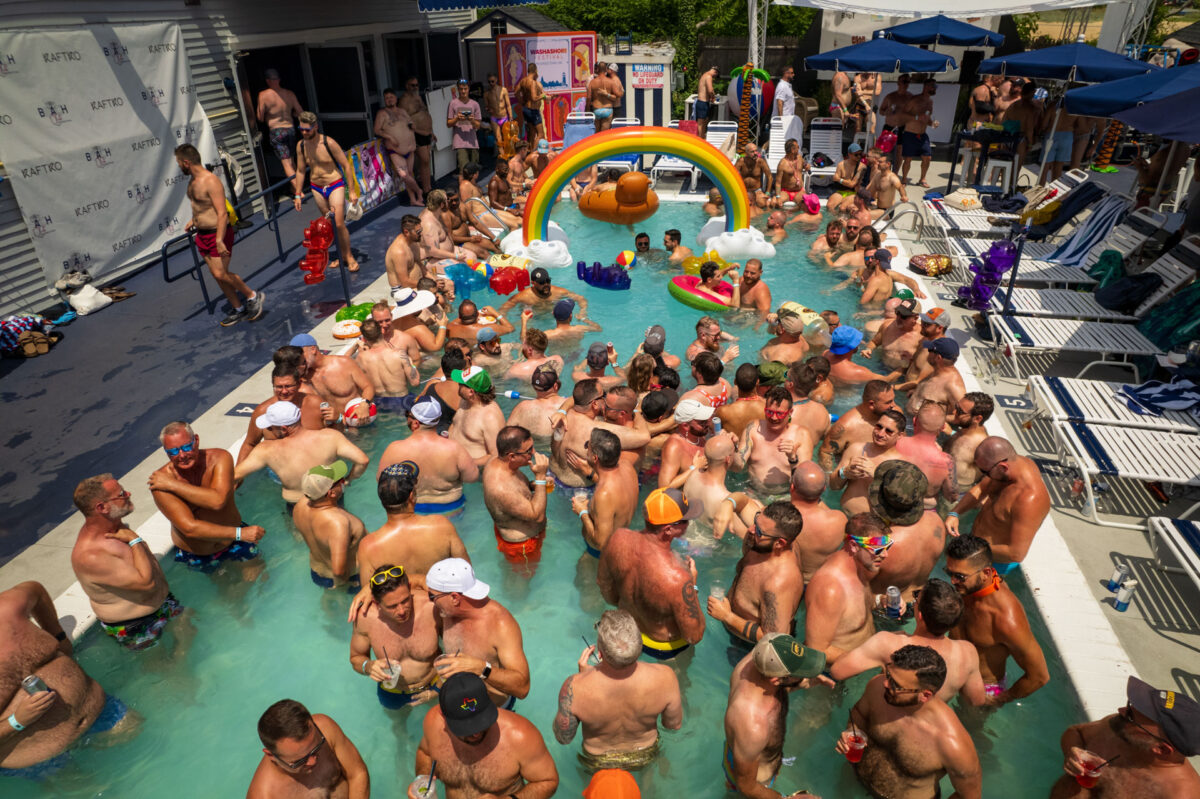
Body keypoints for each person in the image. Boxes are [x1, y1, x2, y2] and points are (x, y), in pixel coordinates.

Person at [0, 581, 133, 776]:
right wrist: (16, 721)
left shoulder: (8, 608)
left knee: (146, 739)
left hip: (99, 710)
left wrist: (58, 635)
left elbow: (35, 590)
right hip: (40, 758)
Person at [835, 645, 982, 799]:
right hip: (855, 781)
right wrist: (852, 731)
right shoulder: (878, 688)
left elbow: (969, 797)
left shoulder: (952, 744)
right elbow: (859, 713)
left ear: (925, 695)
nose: (886, 683)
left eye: (896, 685)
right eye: (888, 675)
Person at [553, 609, 682, 771]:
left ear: (599, 652)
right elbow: (673, 725)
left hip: (598, 761)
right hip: (645, 754)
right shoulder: (666, 678)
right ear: (639, 645)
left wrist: (583, 679)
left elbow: (563, 737)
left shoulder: (574, 686)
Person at [833, 578, 985, 706]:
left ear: (919, 616)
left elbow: (838, 671)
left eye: (916, 597)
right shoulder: (968, 653)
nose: (914, 599)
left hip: (882, 717)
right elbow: (976, 701)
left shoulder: (889, 643)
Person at [70, 474, 180, 651]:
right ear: (102, 507)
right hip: (135, 626)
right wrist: (135, 539)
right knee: (167, 670)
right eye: (121, 494)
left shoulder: (115, 527)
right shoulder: (91, 555)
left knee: (189, 634)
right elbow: (147, 584)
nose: (128, 493)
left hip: (164, 604)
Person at [410, 672, 558, 799]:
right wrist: (422, 779)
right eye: (466, 727)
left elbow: (548, 781)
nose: (476, 733)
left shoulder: (519, 736)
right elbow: (425, 753)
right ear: (443, 715)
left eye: (481, 721)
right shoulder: (434, 723)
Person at [598, 488, 707, 660]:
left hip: (626, 637)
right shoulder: (678, 578)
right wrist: (692, 584)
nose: (689, 523)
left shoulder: (617, 538)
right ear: (669, 530)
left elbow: (604, 586)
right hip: (664, 651)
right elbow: (694, 636)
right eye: (686, 521)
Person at [1049, 676, 1200, 798]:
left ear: (1161, 749)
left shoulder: (1179, 794)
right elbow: (1076, 732)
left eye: (1130, 716)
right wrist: (1071, 752)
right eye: (1130, 705)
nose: (1121, 710)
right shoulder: (1119, 728)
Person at [352, 464, 470, 618]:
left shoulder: (369, 546)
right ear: (411, 496)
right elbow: (466, 572)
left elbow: (371, 598)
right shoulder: (441, 526)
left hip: (402, 618)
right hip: (440, 611)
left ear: (382, 500)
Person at [945, 536, 1050, 707]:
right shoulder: (966, 588)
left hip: (981, 689)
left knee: (970, 729)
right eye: (949, 573)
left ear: (986, 573)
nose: (952, 581)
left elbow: (1039, 676)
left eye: (959, 576)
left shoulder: (1006, 620)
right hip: (950, 671)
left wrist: (999, 699)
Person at [151, 420, 264, 572]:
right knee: (231, 593)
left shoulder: (219, 458)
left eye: (186, 447)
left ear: (196, 440)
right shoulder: (160, 484)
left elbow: (218, 501)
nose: (182, 455)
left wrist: (173, 485)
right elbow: (189, 528)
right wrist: (240, 534)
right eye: (173, 452)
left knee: (259, 575)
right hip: (200, 552)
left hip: (234, 540)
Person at [723, 633, 826, 798]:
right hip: (755, 780)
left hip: (750, 751)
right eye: (799, 671)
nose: (805, 673)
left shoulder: (763, 653)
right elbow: (747, 787)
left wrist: (801, 681)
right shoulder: (753, 725)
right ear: (777, 680)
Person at [175, 144, 264, 326]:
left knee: (220, 272)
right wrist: (194, 219)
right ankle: (238, 308)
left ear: (186, 162)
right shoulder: (192, 182)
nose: (178, 167)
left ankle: (252, 296)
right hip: (201, 234)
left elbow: (222, 213)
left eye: (179, 163)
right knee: (216, 275)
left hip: (218, 234)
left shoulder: (211, 181)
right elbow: (200, 207)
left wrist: (219, 240)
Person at [426, 558, 531, 708]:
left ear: (454, 597)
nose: (430, 601)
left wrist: (481, 668)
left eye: (432, 597)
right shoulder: (447, 610)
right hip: (458, 707)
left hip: (492, 711)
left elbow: (523, 688)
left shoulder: (500, 625)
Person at [234, 401, 369, 507]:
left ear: (284, 428)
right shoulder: (330, 436)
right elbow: (362, 460)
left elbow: (235, 475)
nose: (268, 430)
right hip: (332, 500)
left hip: (297, 506)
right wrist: (348, 480)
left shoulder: (266, 450)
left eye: (270, 427)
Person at [708, 502, 805, 648]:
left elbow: (773, 639)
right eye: (755, 522)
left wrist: (727, 616)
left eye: (759, 531)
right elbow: (744, 501)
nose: (751, 530)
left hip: (748, 647)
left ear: (780, 543)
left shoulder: (777, 582)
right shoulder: (765, 542)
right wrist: (728, 504)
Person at [947, 436, 1050, 570]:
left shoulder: (1029, 500)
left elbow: (1016, 554)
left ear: (1003, 467)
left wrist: (972, 549)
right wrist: (955, 512)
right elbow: (981, 488)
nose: (984, 475)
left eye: (985, 472)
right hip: (975, 547)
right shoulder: (1012, 465)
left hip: (992, 563)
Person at [803, 513, 891, 665]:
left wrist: (880, 600)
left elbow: (853, 608)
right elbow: (816, 650)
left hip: (859, 662)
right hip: (834, 676)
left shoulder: (860, 566)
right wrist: (873, 660)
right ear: (853, 546)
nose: (885, 555)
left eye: (887, 546)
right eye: (877, 550)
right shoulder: (830, 589)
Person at [349, 563, 441, 709]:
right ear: (376, 602)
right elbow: (356, 658)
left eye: (405, 601)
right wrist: (368, 666)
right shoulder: (365, 618)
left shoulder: (431, 607)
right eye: (392, 606)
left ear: (410, 588)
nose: (401, 611)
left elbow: (458, 649)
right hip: (392, 690)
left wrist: (438, 689)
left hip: (435, 682)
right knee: (398, 723)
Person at [247, 699, 369, 799]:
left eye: (316, 749)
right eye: (300, 761)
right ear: (271, 756)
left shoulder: (325, 729)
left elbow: (357, 773)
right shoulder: (264, 795)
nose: (312, 761)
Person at [378, 398, 479, 514]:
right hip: (451, 508)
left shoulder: (394, 449)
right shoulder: (454, 449)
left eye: (408, 415)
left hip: (412, 510)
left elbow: (382, 481)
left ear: (416, 423)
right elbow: (472, 478)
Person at [866, 462, 945, 608]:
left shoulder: (881, 544)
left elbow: (853, 589)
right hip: (918, 604)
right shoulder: (937, 523)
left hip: (883, 608)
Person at [550, 379, 651, 492]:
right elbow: (644, 436)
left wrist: (562, 410)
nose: (604, 399)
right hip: (578, 490)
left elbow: (575, 398)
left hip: (552, 476)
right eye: (602, 395)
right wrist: (635, 410)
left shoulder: (564, 416)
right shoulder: (597, 430)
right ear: (595, 404)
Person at [292, 112, 361, 271]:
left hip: (334, 184)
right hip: (316, 186)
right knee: (329, 224)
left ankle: (349, 256)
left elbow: (346, 165)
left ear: (315, 127)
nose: (304, 133)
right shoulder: (301, 146)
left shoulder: (328, 143)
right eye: (301, 129)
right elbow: (301, 170)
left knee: (338, 222)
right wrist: (297, 194)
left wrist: (351, 191)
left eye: (307, 130)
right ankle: (341, 255)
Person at [483, 425, 550, 570]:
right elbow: (536, 516)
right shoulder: (501, 488)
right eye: (528, 451)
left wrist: (535, 486)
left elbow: (519, 492)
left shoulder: (498, 461)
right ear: (511, 456)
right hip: (522, 547)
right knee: (521, 584)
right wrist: (540, 477)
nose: (533, 453)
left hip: (522, 533)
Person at [293, 461, 365, 591]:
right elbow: (338, 571)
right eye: (340, 481)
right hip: (349, 579)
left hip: (318, 573)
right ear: (331, 493)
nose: (344, 481)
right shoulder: (337, 523)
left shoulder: (300, 506)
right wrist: (343, 585)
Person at [571, 429, 639, 557]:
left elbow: (601, 543)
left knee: (583, 575)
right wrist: (590, 474)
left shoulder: (604, 495)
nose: (586, 449)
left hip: (601, 556)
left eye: (588, 447)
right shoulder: (627, 467)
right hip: (622, 541)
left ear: (594, 458)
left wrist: (582, 512)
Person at [735, 387, 814, 497]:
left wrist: (792, 459)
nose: (774, 417)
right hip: (753, 492)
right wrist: (731, 448)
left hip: (785, 496)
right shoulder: (753, 429)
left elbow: (804, 482)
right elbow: (737, 466)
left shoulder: (801, 435)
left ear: (790, 412)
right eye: (769, 412)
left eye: (779, 413)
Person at [671, 433, 752, 539]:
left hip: (687, 535)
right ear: (727, 459)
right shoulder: (726, 501)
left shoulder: (692, 474)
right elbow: (748, 540)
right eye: (734, 451)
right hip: (710, 546)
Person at [830, 408, 906, 516]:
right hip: (844, 515)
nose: (880, 433)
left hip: (874, 525)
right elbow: (833, 486)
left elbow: (900, 501)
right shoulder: (856, 449)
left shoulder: (901, 464)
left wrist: (877, 475)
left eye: (888, 431)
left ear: (900, 435)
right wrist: (844, 473)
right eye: (878, 426)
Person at [789, 462, 847, 581]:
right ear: (824, 489)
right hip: (821, 580)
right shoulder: (839, 520)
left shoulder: (779, 519)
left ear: (792, 487)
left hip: (792, 581)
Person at [374, 87, 424, 205]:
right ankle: (419, 191)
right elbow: (377, 130)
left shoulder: (402, 111)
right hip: (395, 150)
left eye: (391, 97)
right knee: (404, 174)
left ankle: (413, 200)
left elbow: (411, 123)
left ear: (396, 98)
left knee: (409, 174)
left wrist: (412, 126)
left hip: (409, 148)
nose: (389, 100)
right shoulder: (382, 113)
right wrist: (389, 137)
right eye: (387, 98)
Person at [256, 69, 304, 183]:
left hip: (277, 132)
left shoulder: (263, 95)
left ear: (268, 80)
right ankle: (294, 190)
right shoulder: (289, 94)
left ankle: (298, 191)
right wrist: (292, 113)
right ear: (279, 79)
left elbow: (260, 117)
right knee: (292, 161)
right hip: (290, 130)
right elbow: (300, 113)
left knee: (286, 164)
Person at [903, 337, 966, 417]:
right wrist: (917, 392)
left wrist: (934, 420)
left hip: (918, 426)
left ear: (938, 358)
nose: (927, 352)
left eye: (930, 350)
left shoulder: (954, 387)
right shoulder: (937, 371)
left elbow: (962, 417)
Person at [946, 392, 994, 495]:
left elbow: (993, 476)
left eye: (959, 411)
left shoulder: (982, 445)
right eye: (956, 407)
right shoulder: (966, 426)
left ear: (977, 418)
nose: (954, 412)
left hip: (954, 494)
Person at [499, 266, 589, 318]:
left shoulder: (558, 292)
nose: (546, 284)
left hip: (552, 317)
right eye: (541, 282)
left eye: (548, 281)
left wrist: (583, 311)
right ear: (533, 283)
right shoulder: (524, 296)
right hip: (533, 319)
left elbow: (580, 298)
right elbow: (504, 308)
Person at [507, 364, 565, 439]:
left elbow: (506, 435)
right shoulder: (567, 405)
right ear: (556, 386)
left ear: (533, 386)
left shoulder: (522, 407)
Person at [900, 79, 939, 188]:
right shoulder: (914, 100)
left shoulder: (930, 102)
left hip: (922, 135)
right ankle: (904, 179)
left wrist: (932, 124)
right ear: (926, 86)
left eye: (935, 87)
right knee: (908, 158)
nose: (935, 89)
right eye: (933, 86)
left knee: (927, 157)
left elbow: (927, 118)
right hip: (910, 133)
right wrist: (916, 117)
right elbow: (903, 114)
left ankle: (922, 179)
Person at [400, 76, 437, 194]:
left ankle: (428, 187)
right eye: (412, 85)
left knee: (427, 161)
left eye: (417, 85)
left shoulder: (418, 97)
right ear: (407, 86)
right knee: (424, 160)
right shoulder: (404, 101)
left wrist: (431, 131)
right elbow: (403, 120)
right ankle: (425, 189)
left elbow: (425, 113)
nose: (415, 87)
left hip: (426, 133)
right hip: (417, 134)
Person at [861, 298, 921, 370]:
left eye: (904, 316)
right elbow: (874, 342)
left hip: (901, 375)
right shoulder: (887, 326)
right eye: (898, 313)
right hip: (881, 366)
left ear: (915, 318)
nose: (898, 318)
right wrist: (868, 349)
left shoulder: (921, 337)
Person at [717, 363, 765, 440]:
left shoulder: (722, 411)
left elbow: (716, 432)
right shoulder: (767, 407)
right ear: (757, 382)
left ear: (735, 381)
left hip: (733, 449)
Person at [447, 78, 482, 170]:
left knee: (474, 171)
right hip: (459, 142)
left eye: (465, 88)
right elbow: (448, 124)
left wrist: (472, 120)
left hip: (473, 141)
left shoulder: (475, 104)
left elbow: (478, 125)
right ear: (458, 89)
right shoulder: (453, 103)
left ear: (468, 89)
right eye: (461, 89)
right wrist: (457, 118)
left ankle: (472, 184)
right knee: (464, 170)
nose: (463, 91)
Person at [878, 75, 911, 168]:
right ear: (898, 83)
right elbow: (881, 111)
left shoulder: (910, 97)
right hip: (889, 126)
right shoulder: (890, 96)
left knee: (899, 152)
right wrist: (886, 112)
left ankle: (895, 173)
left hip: (903, 127)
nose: (905, 84)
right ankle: (883, 172)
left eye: (908, 82)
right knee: (884, 150)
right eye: (904, 81)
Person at [516, 64, 547, 146]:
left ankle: (529, 152)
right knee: (541, 134)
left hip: (525, 109)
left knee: (531, 133)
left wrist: (521, 101)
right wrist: (543, 96)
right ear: (535, 71)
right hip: (533, 110)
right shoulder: (532, 82)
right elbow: (534, 98)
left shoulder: (523, 81)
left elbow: (516, 92)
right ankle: (533, 152)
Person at [738, 143, 775, 210]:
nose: (755, 153)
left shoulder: (760, 161)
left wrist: (767, 193)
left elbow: (770, 177)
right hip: (744, 190)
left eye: (756, 151)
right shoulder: (741, 161)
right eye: (752, 151)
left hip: (756, 191)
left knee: (762, 203)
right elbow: (733, 174)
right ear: (746, 152)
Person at [484, 72, 513, 153]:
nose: (491, 83)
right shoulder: (486, 94)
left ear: (496, 80)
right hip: (494, 118)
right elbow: (486, 106)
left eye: (492, 81)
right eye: (489, 82)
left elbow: (508, 105)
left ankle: (508, 155)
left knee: (507, 137)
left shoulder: (503, 90)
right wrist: (489, 109)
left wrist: (510, 117)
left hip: (504, 117)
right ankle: (503, 157)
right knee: (498, 138)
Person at [775, 139, 808, 207]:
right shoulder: (782, 164)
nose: (799, 148)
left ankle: (793, 214)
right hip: (786, 192)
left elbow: (805, 163)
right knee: (774, 203)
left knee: (807, 204)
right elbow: (778, 183)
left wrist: (807, 166)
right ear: (792, 150)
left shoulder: (799, 157)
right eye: (797, 147)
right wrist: (778, 197)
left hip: (799, 191)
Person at [588, 61, 619, 132]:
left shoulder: (592, 82)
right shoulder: (611, 82)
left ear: (597, 69)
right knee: (604, 135)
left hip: (597, 109)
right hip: (607, 109)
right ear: (606, 70)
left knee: (597, 135)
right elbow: (616, 97)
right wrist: (607, 95)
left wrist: (587, 109)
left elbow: (589, 97)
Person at [696, 65, 718, 138]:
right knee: (701, 123)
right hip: (703, 102)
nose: (714, 78)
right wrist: (713, 97)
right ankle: (700, 139)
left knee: (703, 122)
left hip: (700, 102)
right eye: (715, 76)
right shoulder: (709, 77)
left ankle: (702, 137)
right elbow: (710, 90)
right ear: (715, 72)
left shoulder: (704, 75)